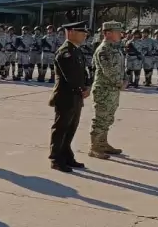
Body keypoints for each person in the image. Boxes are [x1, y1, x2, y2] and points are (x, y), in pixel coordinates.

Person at [48, 21, 91, 173]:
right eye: (82, 32)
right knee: (61, 128)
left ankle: (66, 155)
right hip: (66, 96)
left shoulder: (77, 51)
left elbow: (83, 72)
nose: (85, 35)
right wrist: (81, 88)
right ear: (71, 32)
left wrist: (87, 86)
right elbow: (70, 76)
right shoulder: (65, 52)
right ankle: (56, 158)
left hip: (76, 95)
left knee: (71, 128)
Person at [88, 22, 126, 159]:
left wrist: (125, 79)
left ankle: (103, 143)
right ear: (108, 33)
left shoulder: (116, 48)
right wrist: (119, 83)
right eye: (118, 32)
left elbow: (121, 67)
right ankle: (94, 147)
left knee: (108, 119)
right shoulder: (104, 50)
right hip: (103, 90)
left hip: (113, 90)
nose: (120, 34)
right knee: (100, 119)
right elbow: (108, 70)